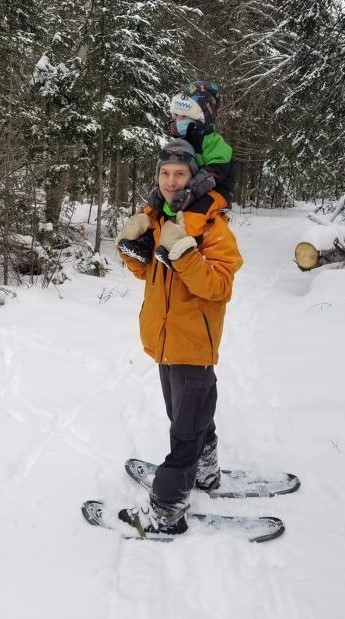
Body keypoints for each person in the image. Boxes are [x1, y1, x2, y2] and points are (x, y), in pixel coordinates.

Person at [116, 138, 243, 536]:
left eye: (180, 174)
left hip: (192, 343)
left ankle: (166, 511)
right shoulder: (157, 217)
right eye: (165, 173)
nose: (171, 181)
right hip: (165, 342)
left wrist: (185, 253)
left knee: (184, 433)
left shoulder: (212, 225)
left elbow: (219, 286)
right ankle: (205, 474)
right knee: (188, 416)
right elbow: (149, 275)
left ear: (194, 177)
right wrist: (132, 247)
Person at [117, 80, 236, 265]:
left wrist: (191, 188)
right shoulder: (182, 141)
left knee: (194, 213)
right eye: (175, 116)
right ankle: (146, 243)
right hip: (190, 186)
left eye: (182, 117)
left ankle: (178, 247)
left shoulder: (212, 141)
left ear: (199, 119)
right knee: (157, 204)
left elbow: (216, 170)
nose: (176, 121)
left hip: (215, 191)